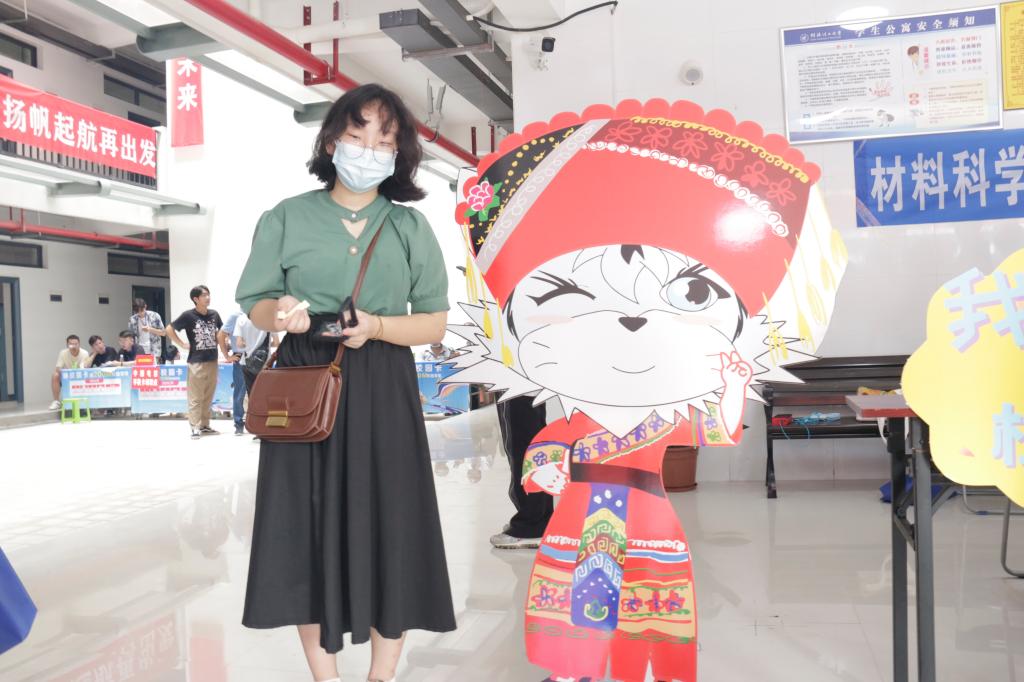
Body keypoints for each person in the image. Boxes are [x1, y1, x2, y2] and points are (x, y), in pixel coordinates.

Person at [235, 83, 456, 682]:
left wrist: (379, 326)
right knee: (305, 529)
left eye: (384, 142)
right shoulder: (286, 216)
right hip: (305, 380)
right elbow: (256, 301)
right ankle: (324, 676)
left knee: (393, 523)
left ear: (399, 154)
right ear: (332, 141)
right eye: (357, 137)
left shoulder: (409, 226)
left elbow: (433, 321)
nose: (369, 151)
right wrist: (280, 312)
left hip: (384, 381)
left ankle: (382, 676)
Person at [489, 397, 551, 549]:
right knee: (532, 445)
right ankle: (540, 521)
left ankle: (530, 526)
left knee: (522, 446)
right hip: (527, 388)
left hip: (519, 387)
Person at [166, 285, 226, 440]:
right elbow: (169, 329)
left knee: (208, 395)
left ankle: (205, 425)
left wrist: (225, 345)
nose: (208, 297)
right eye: (204, 295)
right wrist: (181, 344)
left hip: (212, 360)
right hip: (196, 361)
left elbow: (222, 332)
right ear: (196, 299)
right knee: (195, 396)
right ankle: (195, 426)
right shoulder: (188, 315)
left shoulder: (214, 314)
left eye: (208, 294)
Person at [217, 311, 247, 436]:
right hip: (240, 356)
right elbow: (221, 335)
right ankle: (239, 423)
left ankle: (257, 423)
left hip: (258, 356)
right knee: (239, 393)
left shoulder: (260, 313)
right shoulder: (236, 316)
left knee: (257, 392)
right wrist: (227, 356)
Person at [50, 334, 86, 409]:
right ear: (67, 345)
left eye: (76, 344)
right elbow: (58, 368)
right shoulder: (63, 353)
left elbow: (84, 368)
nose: (73, 346)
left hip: (79, 377)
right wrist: (66, 373)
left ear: (79, 344)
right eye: (71, 344)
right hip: (66, 377)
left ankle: (84, 402)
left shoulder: (84, 353)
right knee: (55, 375)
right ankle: (56, 402)